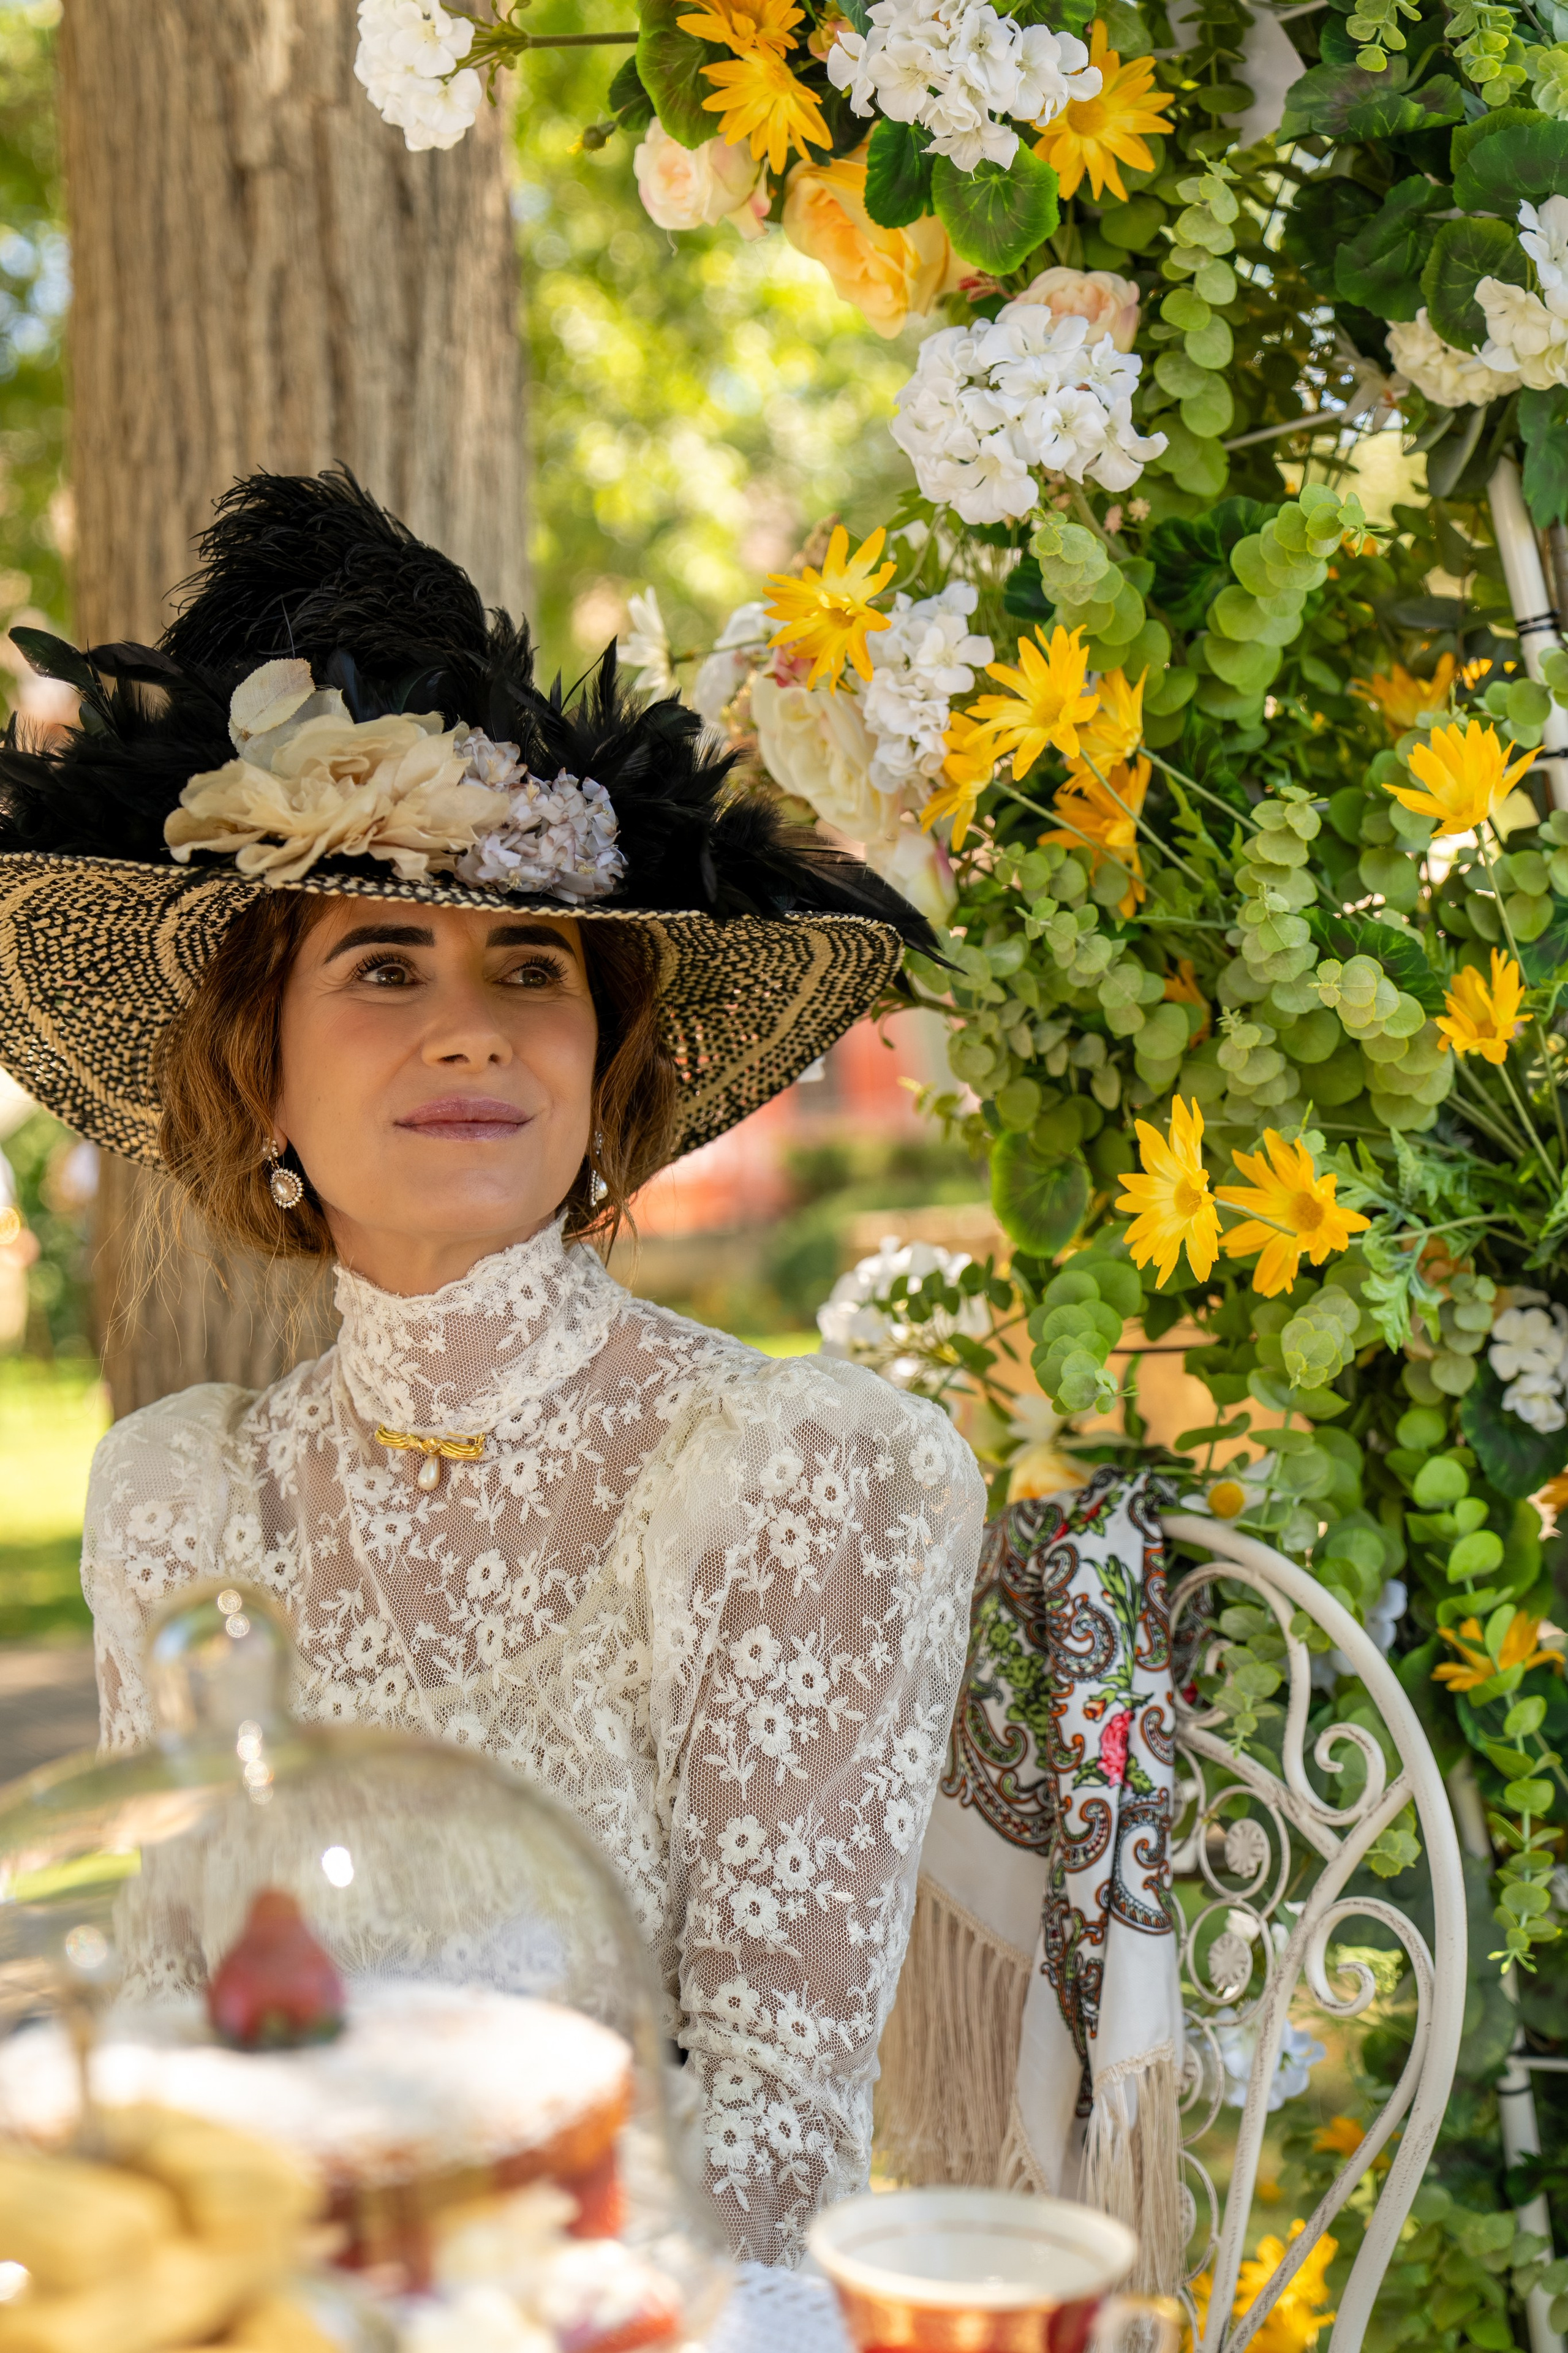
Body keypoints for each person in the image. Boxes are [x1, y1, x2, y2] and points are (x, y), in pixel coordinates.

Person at [0, 470, 986, 2265]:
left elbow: (776, 2156)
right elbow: (168, 2049)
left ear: (598, 1061)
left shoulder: (799, 1476)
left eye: (529, 960)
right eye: (383, 961)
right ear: (262, 1081)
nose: (470, 1018)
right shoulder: (180, 1494)